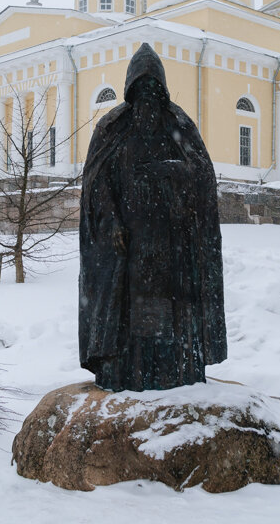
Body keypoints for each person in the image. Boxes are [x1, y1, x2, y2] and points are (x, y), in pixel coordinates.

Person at [78, 44, 227, 392]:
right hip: (128, 245)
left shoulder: (178, 125)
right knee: (130, 313)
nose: (147, 96)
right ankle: (125, 372)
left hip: (171, 242)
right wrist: (112, 221)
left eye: (153, 89)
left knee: (168, 312)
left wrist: (169, 171)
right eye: (140, 89)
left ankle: (172, 372)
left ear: (162, 89)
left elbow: (202, 176)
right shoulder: (113, 129)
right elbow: (97, 185)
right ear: (131, 91)